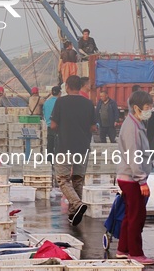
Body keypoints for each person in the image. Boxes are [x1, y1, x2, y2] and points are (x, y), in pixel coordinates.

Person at [115, 90, 154, 265]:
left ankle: (123, 249)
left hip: (129, 176)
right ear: (137, 108)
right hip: (132, 178)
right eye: (147, 107)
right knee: (136, 216)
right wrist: (142, 180)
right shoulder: (132, 127)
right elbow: (134, 155)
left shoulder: (135, 123)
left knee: (130, 214)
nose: (149, 110)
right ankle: (136, 253)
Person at [50, 75, 96, 226]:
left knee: (63, 179)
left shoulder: (61, 102)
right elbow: (93, 127)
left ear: (67, 86)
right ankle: (73, 214)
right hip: (82, 147)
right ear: (80, 86)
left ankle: (76, 203)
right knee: (77, 179)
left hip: (65, 146)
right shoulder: (88, 103)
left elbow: (53, 125)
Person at [42, 85, 61, 163]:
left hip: (49, 127)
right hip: (58, 128)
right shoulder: (60, 102)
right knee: (59, 147)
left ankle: (49, 163)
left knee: (50, 146)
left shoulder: (46, 102)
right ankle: (57, 163)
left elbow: (44, 114)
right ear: (59, 93)